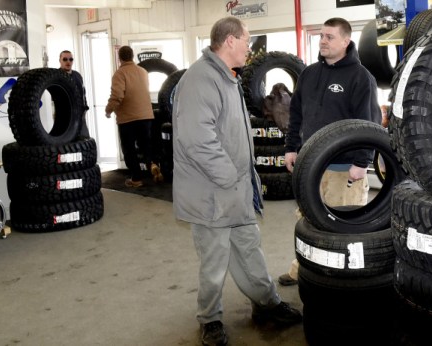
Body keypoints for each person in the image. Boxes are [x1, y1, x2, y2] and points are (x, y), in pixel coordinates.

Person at [171, 16, 302, 346]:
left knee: (249, 249)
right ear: (229, 41)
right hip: (212, 193)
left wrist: (245, 181)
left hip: (235, 189)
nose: (249, 48)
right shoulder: (200, 80)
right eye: (246, 41)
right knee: (214, 260)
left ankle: (266, 303)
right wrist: (231, 177)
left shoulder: (227, 78)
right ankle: (210, 319)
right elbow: (197, 140)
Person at [279, 17, 382, 286]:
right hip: (309, 168)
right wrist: (291, 148)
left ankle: (338, 281)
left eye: (330, 37)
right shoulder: (310, 73)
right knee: (307, 223)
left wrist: (362, 162)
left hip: (343, 169)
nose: (323, 41)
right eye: (321, 36)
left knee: (340, 228)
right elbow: (296, 113)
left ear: (346, 41)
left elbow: (369, 124)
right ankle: (301, 269)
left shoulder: (362, 78)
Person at [105, 45, 163, 187]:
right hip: (146, 115)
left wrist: (108, 110)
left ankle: (136, 179)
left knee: (129, 149)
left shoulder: (120, 74)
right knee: (146, 145)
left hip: (128, 118)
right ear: (132, 56)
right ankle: (153, 165)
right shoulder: (143, 71)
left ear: (120, 58)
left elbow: (117, 96)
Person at [59, 50, 90, 137]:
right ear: (60, 60)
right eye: (65, 59)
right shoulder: (56, 75)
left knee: (84, 139)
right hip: (64, 115)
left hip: (80, 113)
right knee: (65, 141)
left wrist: (85, 108)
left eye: (71, 59)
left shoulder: (77, 75)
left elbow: (83, 92)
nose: (68, 62)